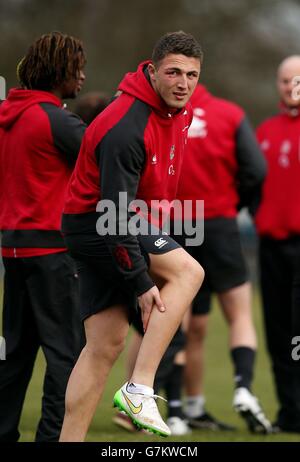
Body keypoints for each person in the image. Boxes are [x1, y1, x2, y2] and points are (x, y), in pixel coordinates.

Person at [59, 31, 204, 441]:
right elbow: (115, 214)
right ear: (152, 71)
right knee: (189, 273)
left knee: (104, 347)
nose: (183, 83)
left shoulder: (179, 113)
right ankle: (140, 388)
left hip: (111, 222)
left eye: (192, 74)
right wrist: (140, 281)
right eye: (173, 72)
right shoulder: (127, 125)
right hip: (100, 223)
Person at [0, 31, 86, 442]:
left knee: (15, 354)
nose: (82, 77)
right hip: (54, 250)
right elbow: (101, 165)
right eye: (76, 68)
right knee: (66, 355)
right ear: (59, 71)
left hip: (13, 250)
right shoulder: (57, 120)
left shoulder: (7, 116)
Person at [174, 84, 271, 434]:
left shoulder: (164, 114)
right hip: (218, 223)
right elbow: (257, 169)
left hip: (175, 225)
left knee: (184, 324)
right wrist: (238, 201)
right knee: (240, 314)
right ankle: (243, 386)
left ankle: (180, 408)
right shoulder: (229, 114)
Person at [255, 55, 300, 433]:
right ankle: (290, 412)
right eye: (285, 80)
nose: (291, 87)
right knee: (278, 333)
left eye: (297, 80)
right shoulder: (265, 130)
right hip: (271, 248)